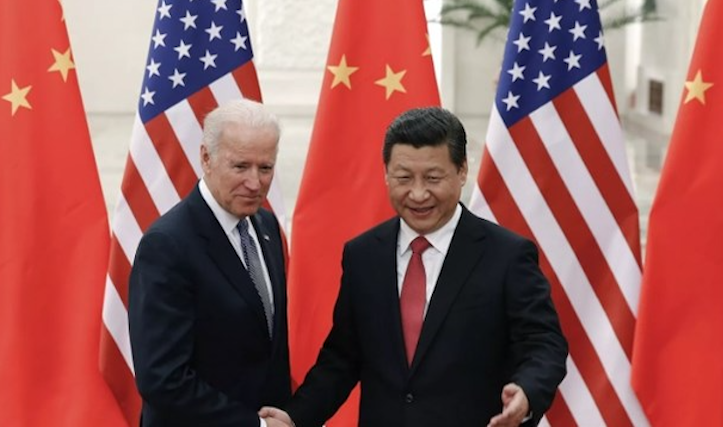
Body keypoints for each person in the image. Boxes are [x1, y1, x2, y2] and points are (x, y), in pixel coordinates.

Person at [263, 107, 567, 427]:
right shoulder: (363, 255)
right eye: (404, 178)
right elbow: (342, 359)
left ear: (462, 171)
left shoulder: (507, 255)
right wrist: (294, 418)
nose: (419, 194)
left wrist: (527, 393)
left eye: (433, 178)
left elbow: (544, 344)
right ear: (386, 174)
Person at [128, 99, 291, 427]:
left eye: (265, 168)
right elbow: (163, 378)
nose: (255, 183)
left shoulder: (267, 227)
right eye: (240, 166)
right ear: (206, 157)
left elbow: (267, 349)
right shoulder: (168, 245)